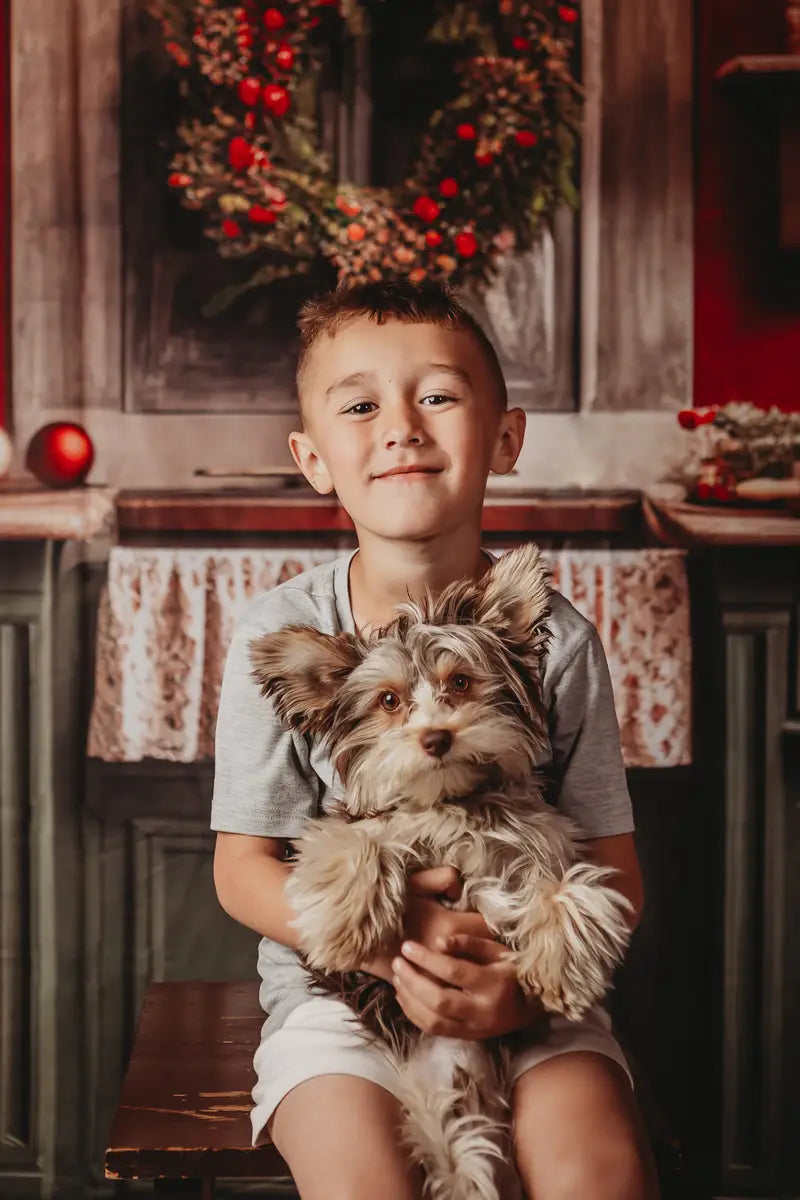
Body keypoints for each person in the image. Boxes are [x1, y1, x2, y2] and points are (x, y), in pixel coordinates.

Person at [211, 279, 659, 1200]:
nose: (404, 426)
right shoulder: (284, 629)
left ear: (505, 439)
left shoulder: (555, 640)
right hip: (339, 1002)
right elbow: (241, 867)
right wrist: (392, 943)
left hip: (533, 988)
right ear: (312, 457)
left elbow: (613, 867)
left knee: (598, 1177)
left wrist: (520, 991)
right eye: (363, 404)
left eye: (440, 396)